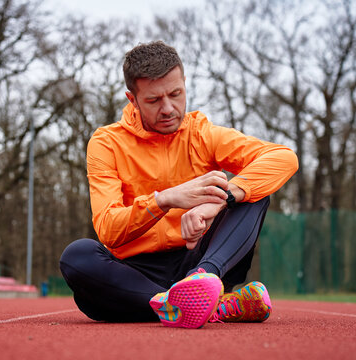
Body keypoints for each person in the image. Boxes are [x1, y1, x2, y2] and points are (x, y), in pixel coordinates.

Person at [60, 40, 298, 328]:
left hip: (202, 260)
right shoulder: (106, 143)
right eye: (153, 100)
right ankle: (204, 305)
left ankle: (199, 285)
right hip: (134, 272)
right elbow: (108, 230)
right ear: (132, 99)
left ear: (185, 83)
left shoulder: (203, 134)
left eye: (176, 94)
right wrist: (165, 200)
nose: (168, 108)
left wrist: (224, 198)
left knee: (255, 192)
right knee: (77, 257)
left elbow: (283, 157)